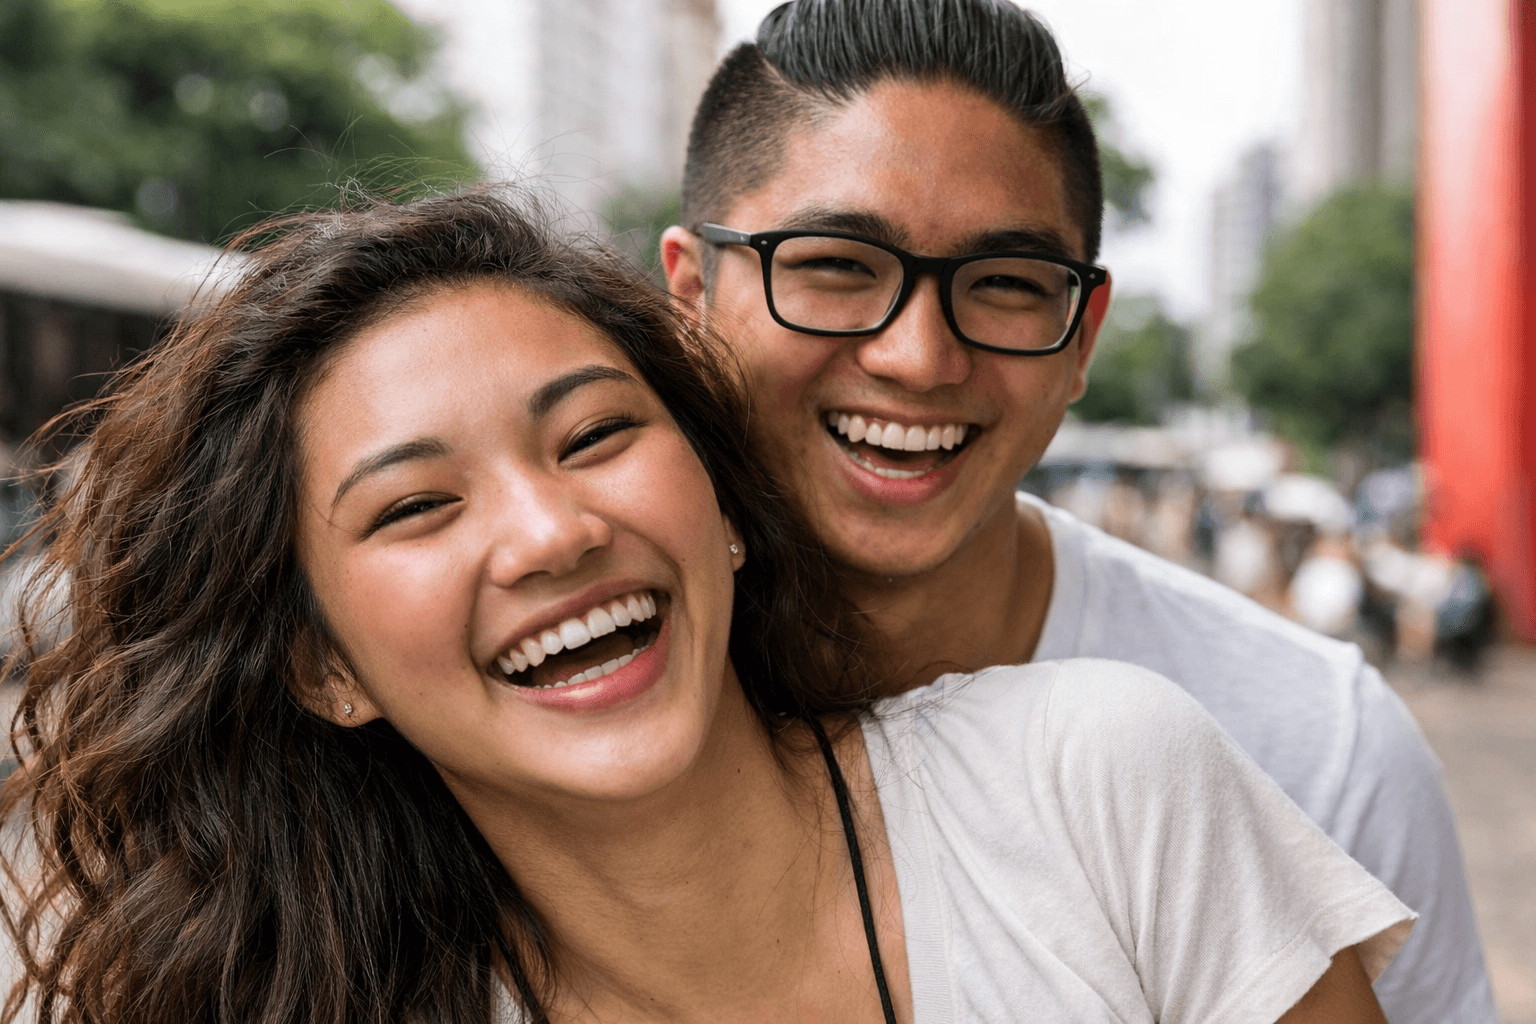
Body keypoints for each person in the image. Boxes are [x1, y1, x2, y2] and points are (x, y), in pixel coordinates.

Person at [1, 189, 1412, 1023]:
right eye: (418, 508)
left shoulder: (1103, 785)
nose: (551, 532)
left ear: (728, 510)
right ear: (323, 666)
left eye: (597, 437)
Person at [658, 3, 1494, 1022]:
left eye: (1006, 283)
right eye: (835, 265)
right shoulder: (572, 720)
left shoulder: (1315, 744)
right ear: (689, 298)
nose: (918, 358)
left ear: (1083, 337)